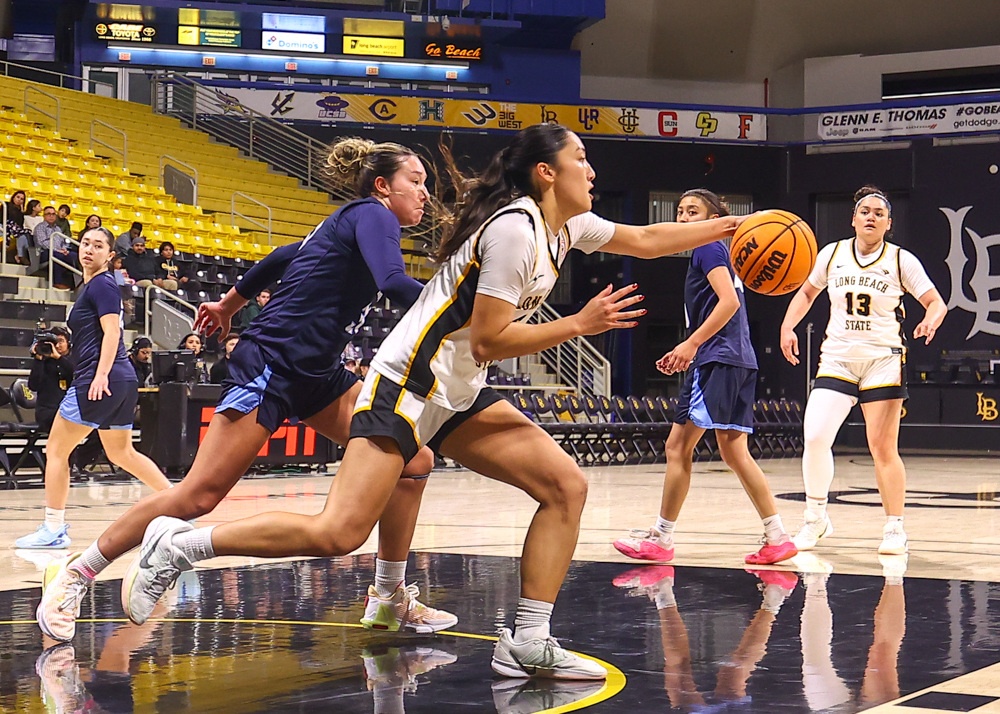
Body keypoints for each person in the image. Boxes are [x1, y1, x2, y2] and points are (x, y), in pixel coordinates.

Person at [113, 124, 747, 680]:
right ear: (546, 172)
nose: (592, 169)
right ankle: (183, 546)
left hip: (456, 390)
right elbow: (493, 340)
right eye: (580, 158)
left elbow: (647, 237)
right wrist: (578, 324)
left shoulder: (568, 227)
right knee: (339, 533)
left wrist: (736, 227)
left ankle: (527, 641)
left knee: (565, 486)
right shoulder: (514, 231)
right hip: (406, 384)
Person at [36, 137, 452, 643]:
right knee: (198, 495)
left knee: (412, 458)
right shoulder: (374, 215)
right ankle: (75, 574)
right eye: (416, 181)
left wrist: (228, 304)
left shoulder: (347, 223)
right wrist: (467, 312)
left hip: (317, 373)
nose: (425, 193)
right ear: (383, 186)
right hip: (272, 363)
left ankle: (388, 595)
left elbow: (282, 256)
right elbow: (393, 282)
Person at [613, 189, 796, 566]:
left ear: (714, 220)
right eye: (680, 211)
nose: (683, 218)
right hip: (738, 360)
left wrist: (692, 345)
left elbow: (729, 302)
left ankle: (662, 538)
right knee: (733, 451)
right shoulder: (720, 252)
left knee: (678, 447)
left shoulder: (707, 247)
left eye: (692, 212)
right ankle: (777, 536)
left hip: (718, 358)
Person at [782, 185, 947, 555]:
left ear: (889, 223)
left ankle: (894, 527)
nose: (871, 217)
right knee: (815, 437)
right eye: (865, 211)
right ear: (853, 219)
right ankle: (815, 518)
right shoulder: (832, 254)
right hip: (837, 357)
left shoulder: (901, 260)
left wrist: (930, 320)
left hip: (882, 359)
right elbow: (806, 292)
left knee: (882, 447)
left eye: (879, 213)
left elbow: (936, 302)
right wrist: (787, 326)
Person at [15, 227, 171, 556]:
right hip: (122, 380)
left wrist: (100, 375)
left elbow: (113, 332)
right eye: (85, 243)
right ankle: (179, 505)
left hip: (100, 379)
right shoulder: (93, 286)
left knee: (56, 451)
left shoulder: (102, 285)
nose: (89, 249)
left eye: (98, 245)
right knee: (122, 454)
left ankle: (53, 529)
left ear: (110, 255)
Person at [25, 326, 74, 434]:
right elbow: (33, 386)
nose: (57, 345)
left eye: (60, 341)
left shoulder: (71, 362)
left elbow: (75, 375)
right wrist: (38, 360)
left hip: (69, 410)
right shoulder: (43, 363)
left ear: (68, 343)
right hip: (47, 412)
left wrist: (59, 358)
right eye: (54, 342)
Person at [35, 206, 79, 290]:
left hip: (59, 251)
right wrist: (58, 250)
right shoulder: (40, 227)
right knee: (57, 256)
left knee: (75, 256)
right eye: (48, 214)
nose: (51, 216)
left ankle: (78, 283)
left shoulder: (58, 229)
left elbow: (63, 242)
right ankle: (57, 282)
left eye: (53, 214)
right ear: (44, 215)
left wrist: (64, 249)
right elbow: (42, 243)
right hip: (44, 252)